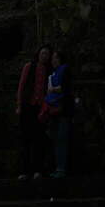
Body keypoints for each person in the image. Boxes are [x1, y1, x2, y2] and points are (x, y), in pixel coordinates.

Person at [16, 44, 52, 180]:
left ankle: (38, 169)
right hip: (27, 105)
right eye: (43, 53)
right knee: (25, 138)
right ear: (38, 54)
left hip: (41, 108)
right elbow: (21, 86)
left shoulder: (49, 70)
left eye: (47, 54)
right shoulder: (29, 67)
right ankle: (24, 171)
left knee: (39, 139)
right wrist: (19, 105)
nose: (44, 56)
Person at [45, 49, 73, 178]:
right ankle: (57, 167)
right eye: (52, 58)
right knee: (55, 138)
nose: (53, 60)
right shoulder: (54, 73)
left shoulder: (65, 70)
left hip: (63, 108)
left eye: (55, 58)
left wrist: (53, 89)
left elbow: (66, 87)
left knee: (61, 138)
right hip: (54, 108)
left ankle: (61, 168)